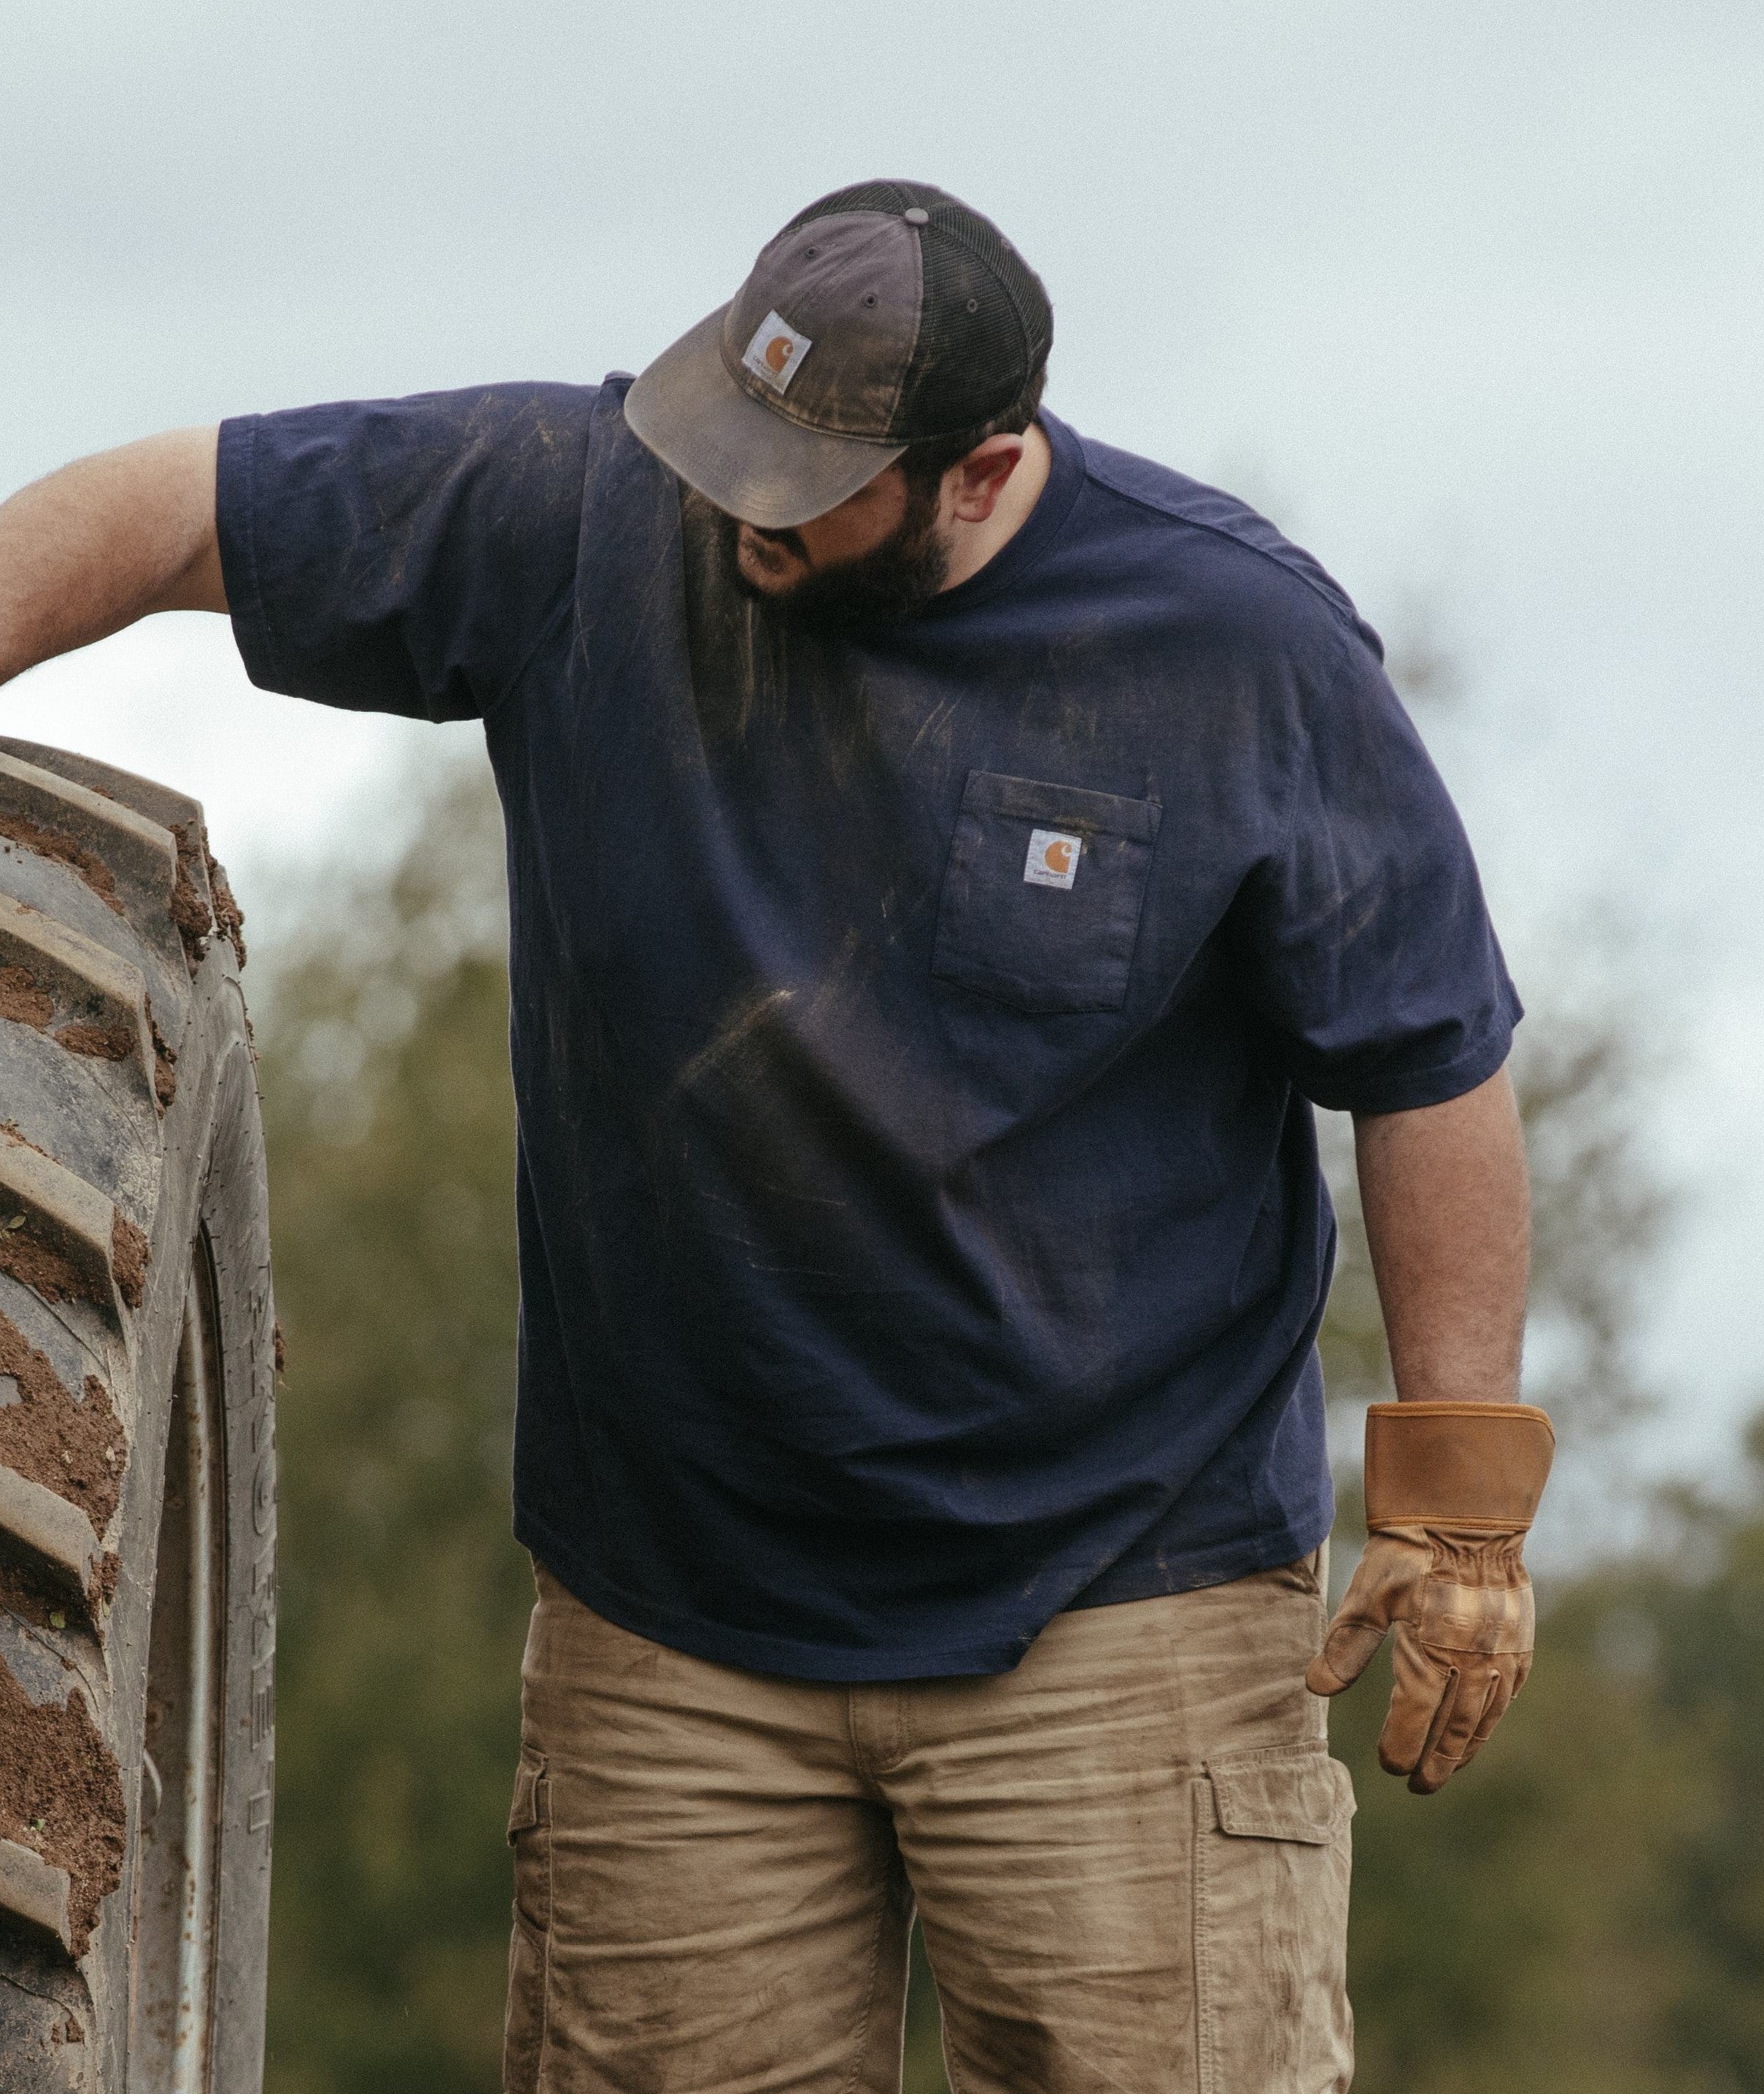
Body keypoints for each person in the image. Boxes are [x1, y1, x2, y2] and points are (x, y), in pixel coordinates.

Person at [0, 180, 1552, 2093]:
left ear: (980, 471)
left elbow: (1427, 1057)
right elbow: (169, 506)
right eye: (725, 446)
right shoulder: (578, 508)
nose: (739, 511)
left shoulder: (1235, 650)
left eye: (802, 484)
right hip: (675, 1631)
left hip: (1114, 1613)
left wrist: (1457, 1498)